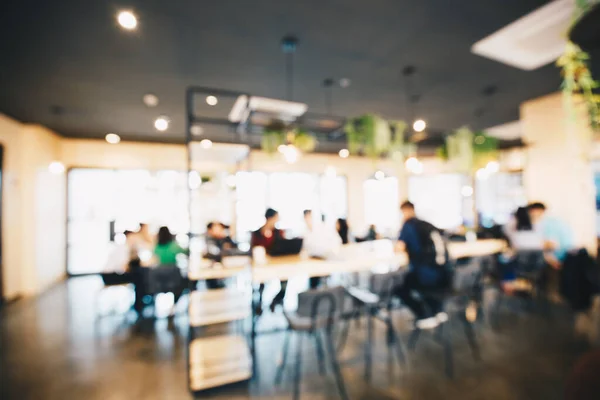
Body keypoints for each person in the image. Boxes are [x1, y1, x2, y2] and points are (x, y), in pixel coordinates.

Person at [393, 201, 450, 329]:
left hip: (425, 275)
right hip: (444, 275)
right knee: (420, 282)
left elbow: (399, 247)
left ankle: (424, 315)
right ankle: (437, 310)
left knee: (400, 288)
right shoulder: (426, 225)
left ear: (405, 211)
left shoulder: (408, 226)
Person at [251, 208, 286, 313]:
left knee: (285, 280)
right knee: (261, 281)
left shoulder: (279, 232)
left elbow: (283, 247)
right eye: (276, 218)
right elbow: (254, 249)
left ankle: (275, 300)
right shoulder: (257, 233)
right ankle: (259, 303)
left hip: (277, 264)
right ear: (270, 218)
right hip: (263, 265)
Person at [528, 202, 574, 269]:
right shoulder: (551, 221)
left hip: (561, 258)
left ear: (537, 211)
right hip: (565, 256)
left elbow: (551, 245)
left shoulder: (548, 223)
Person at [302, 210, 341, 289]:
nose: (308, 219)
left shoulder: (323, 228)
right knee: (314, 284)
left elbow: (337, 241)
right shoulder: (305, 231)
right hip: (312, 261)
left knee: (324, 284)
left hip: (325, 259)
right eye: (306, 217)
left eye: (310, 217)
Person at [204, 222, 237, 289]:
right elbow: (214, 252)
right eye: (216, 228)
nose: (219, 230)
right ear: (210, 230)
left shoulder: (225, 238)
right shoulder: (209, 239)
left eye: (220, 228)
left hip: (227, 271)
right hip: (211, 273)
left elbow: (235, 249)